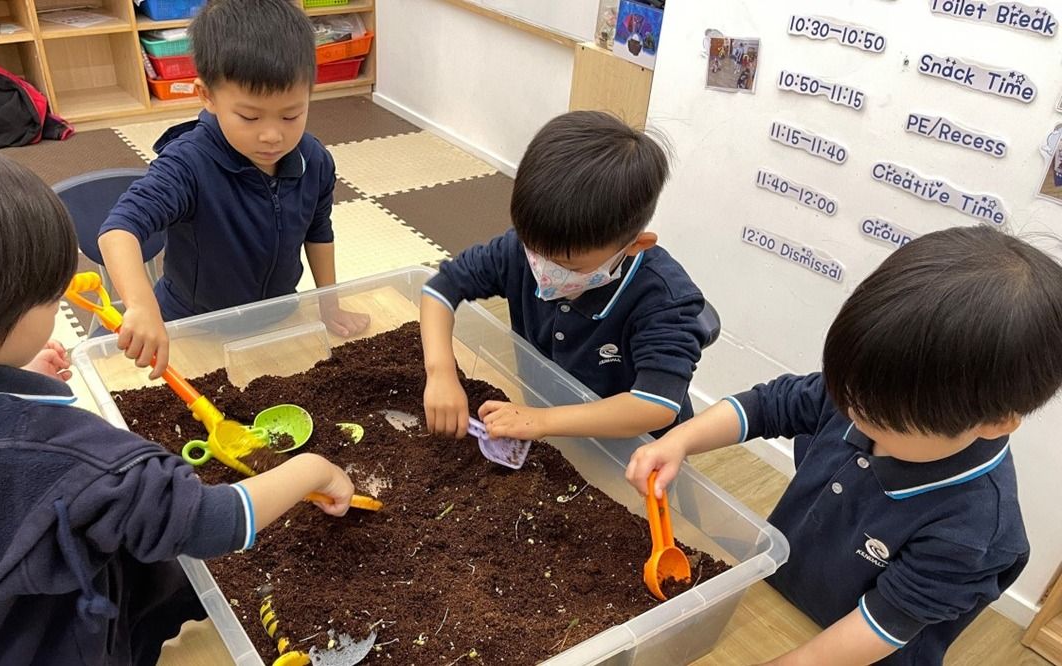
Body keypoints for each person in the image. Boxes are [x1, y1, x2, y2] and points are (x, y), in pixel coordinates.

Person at [0, 135, 356, 666]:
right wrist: (313, 470)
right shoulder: (83, 461)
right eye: (47, 292)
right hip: (59, 643)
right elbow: (209, 521)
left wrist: (2, 376)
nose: (61, 295)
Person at [627, 225, 1062, 665]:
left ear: (993, 422)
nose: (852, 413)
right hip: (781, 582)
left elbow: (883, 626)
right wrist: (681, 439)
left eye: (879, 418)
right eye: (849, 396)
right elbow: (768, 405)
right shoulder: (867, 394)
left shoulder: (974, 532)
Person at [99, 0, 368, 381]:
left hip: (277, 317)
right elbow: (119, 230)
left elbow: (319, 232)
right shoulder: (188, 164)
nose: (273, 135)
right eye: (250, 116)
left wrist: (330, 304)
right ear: (206, 95)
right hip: (194, 327)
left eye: (291, 114)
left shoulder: (314, 160)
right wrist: (142, 308)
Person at [421, 111, 706, 441]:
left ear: (635, 245)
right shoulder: (519, 251)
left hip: (636, 449)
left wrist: (541, 422)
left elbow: (654, 406)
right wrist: (440, 372)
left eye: (568, 266)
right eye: (534, 251)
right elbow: (442, 288)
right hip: (554, 424)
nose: (544, 269)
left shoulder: (664, 299)